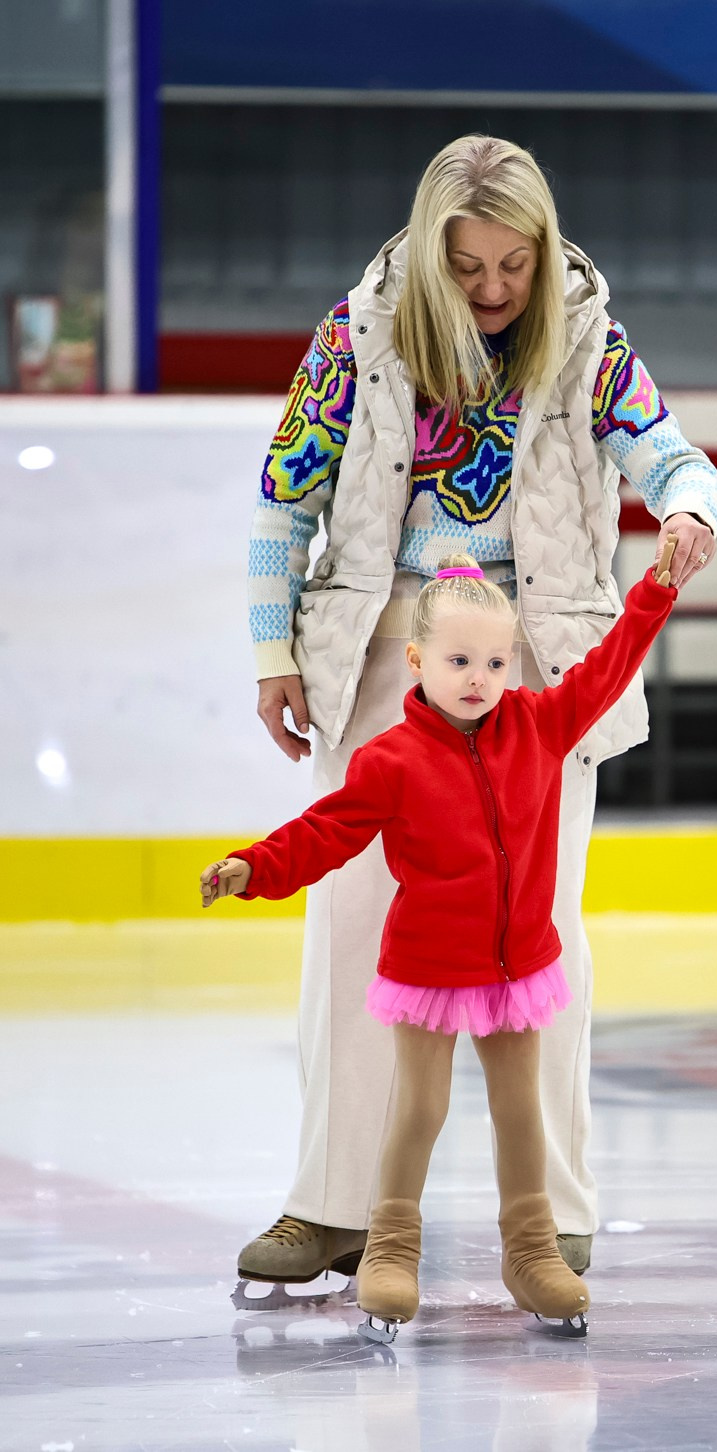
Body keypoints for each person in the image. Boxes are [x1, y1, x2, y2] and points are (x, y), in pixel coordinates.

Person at [242, 133, 717, 1300]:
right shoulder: (354, 336)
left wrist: (692, 506)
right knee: (354, 918)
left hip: (536, 650)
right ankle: (333, 1207)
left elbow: (668, 452)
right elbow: (282, 495)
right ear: (430, 254)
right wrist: (273, 650)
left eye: (516, 262)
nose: (497, 289)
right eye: (470, 267)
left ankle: (554, 1218)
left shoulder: (585, 331)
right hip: (386, 645)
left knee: (540, 925)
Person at [202, 552, 679, 1339]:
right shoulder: (390, 759)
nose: (479, 677)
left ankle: (532, 1251)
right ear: (417, 662)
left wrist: (656, 589)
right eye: (459, 661)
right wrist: (255, 867)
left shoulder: (539, 724)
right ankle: (390, 1249)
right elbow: (326, 832)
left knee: (520, 1112)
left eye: (496, 661)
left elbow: (611, 662)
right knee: (418, 1109)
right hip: (427, 970)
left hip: (515, 968)